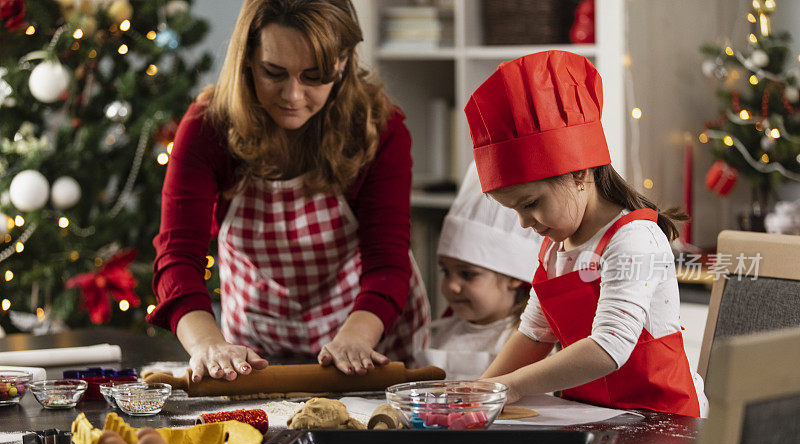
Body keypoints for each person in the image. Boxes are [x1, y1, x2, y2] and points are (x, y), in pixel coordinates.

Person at [148, 0, 430, 383]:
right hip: (256, 344)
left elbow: (387, 262)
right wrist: (207, 345)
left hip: (363, 331)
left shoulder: (380, 128)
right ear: (248, 56)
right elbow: (178, 256)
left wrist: (355, 339)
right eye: (274, 72)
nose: (293, 96)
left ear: (343, 60)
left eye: (314, 77)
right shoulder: (207, 127)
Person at [465, 50, 708, 417]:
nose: (524, 222)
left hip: (662, 422)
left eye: (529, 204)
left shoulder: (634, 239)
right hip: (595, 417)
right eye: (513, 209)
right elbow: (534, 335)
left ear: (579, 174)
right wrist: (479, 394)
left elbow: (609, 347)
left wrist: (510, 387)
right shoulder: (554, 246)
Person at [414, 162, 542, 380]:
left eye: (467, 274)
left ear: (514, 279)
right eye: (446, 271)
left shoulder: (529, 339)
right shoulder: (438, 333)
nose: (451, 285)